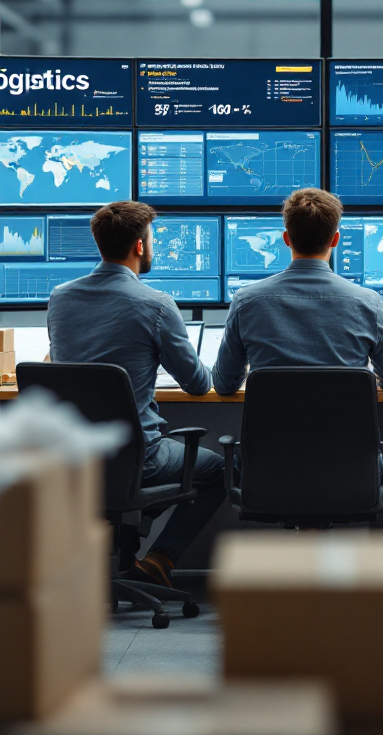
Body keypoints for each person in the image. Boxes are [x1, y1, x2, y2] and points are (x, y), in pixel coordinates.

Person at [47, 200, 224, 588]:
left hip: (72, 455)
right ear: (140, 246)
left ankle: (123, 560)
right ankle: (159, 560)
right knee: (216, 470)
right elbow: (197, 383)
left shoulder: (60, 298)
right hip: (138, 459)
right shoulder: (156, 304)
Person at [213, 187, 383, 395]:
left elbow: (224, 385)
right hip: (344, 428)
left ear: (286, 239)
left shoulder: (246, 302)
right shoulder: (369, 303)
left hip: (272, 428)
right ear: (335, 240)